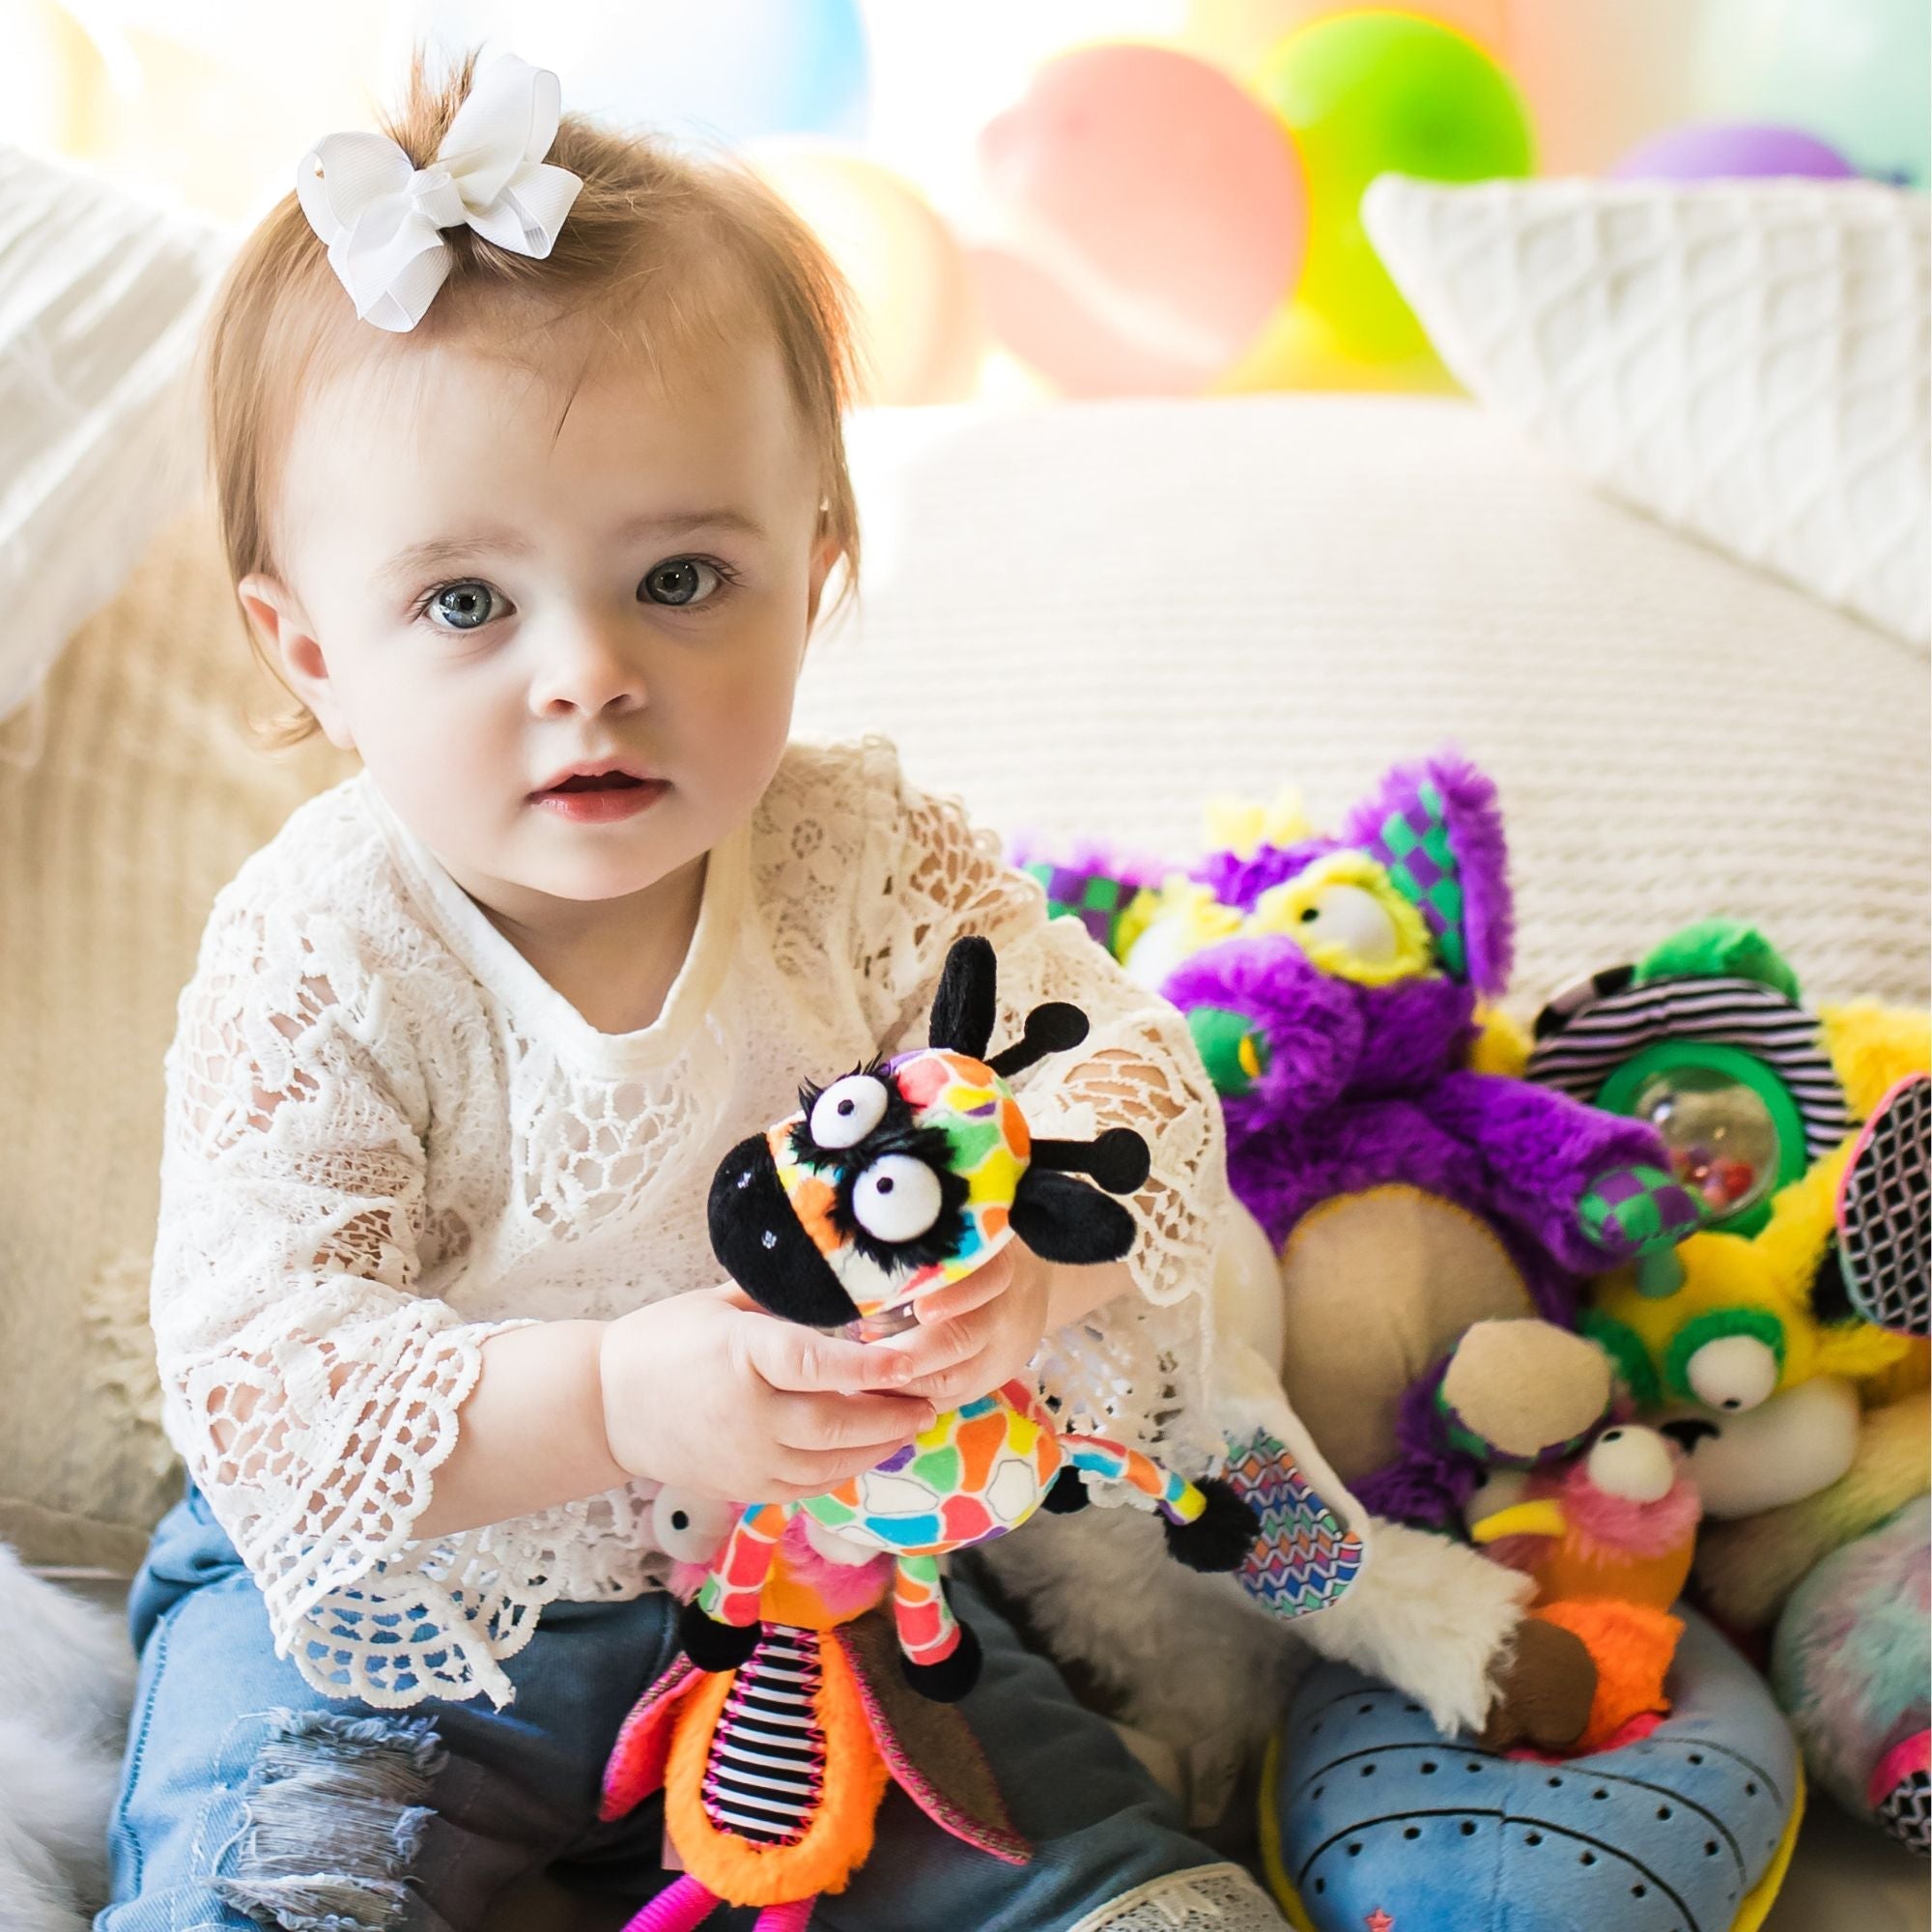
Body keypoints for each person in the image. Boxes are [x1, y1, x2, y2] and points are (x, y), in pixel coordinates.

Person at [99, 47, 1277, 1932]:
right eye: (467, 603)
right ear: (309, 651)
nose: (587, 669)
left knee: (1081, 1866)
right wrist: (617, 1395)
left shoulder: (857, 862)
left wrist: (1036, 1264)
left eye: (679, 577)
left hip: (822, 1587)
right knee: (284, 1873)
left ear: (813, 574)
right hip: (395, 1618)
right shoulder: (324, 945)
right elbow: (269, 1379)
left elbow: (1118, 1070)